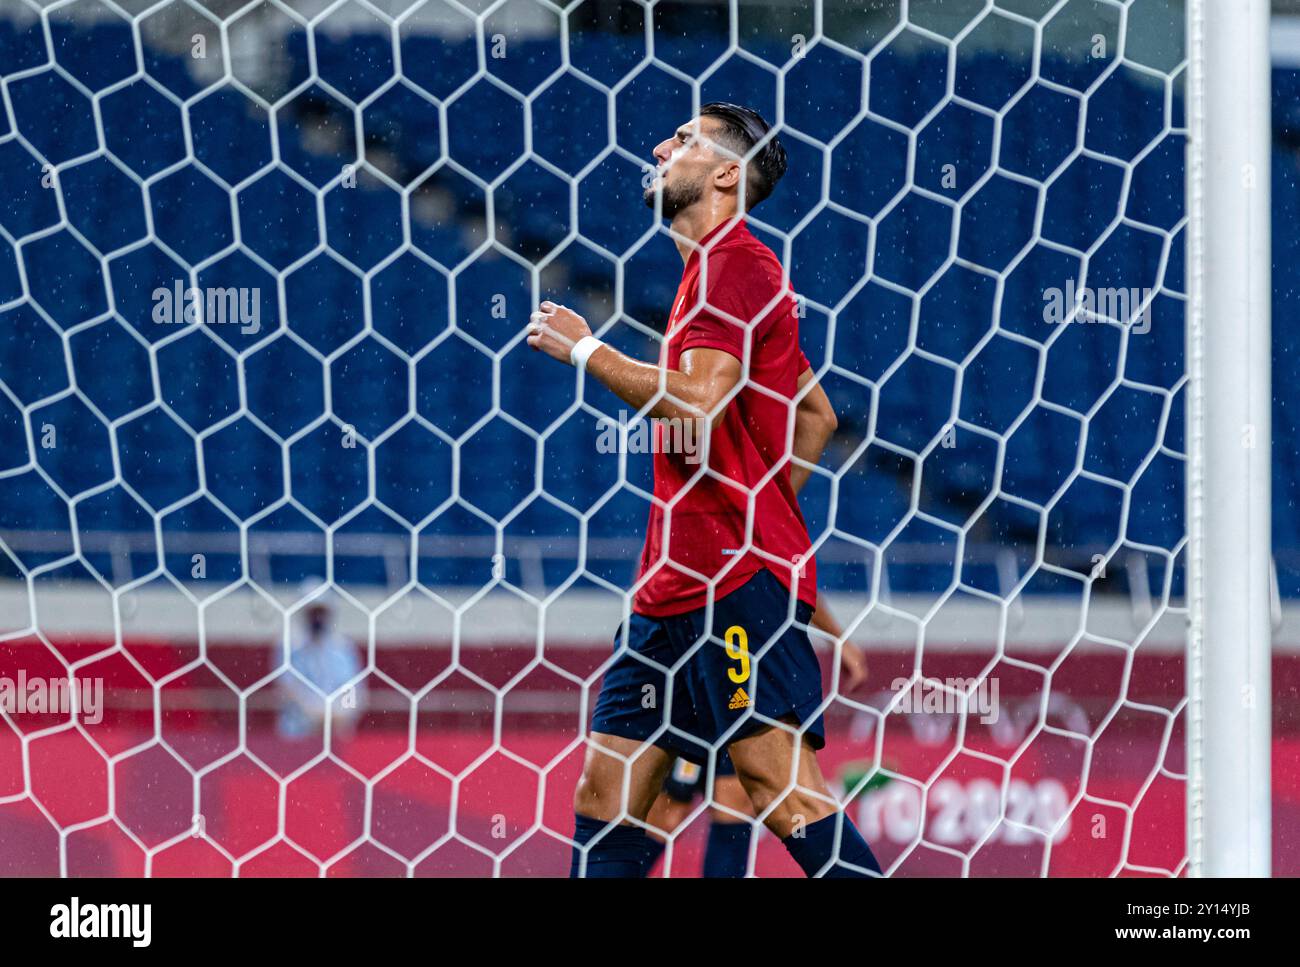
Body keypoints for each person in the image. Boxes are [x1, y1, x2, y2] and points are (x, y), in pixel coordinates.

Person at [525, 102, 883, 878]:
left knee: (779, 792)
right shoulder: (710, 273)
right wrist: (755, 501)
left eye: (683, 137)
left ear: (727, 172)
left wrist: (585, 348)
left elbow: (695, 400)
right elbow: (815, 415)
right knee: (607, 794)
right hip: (671, 589)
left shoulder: (738, 264)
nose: (660, 144)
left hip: (730, 586)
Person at [277, 582, 366, 741]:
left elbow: (354, 691)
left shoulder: (344, 648)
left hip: (337, 735)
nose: (317, 618)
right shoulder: (288, 648)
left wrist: (339, 713)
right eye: (312, 613)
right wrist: (320, 713)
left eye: (321, 612)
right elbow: (291, 689)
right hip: (298, 734)